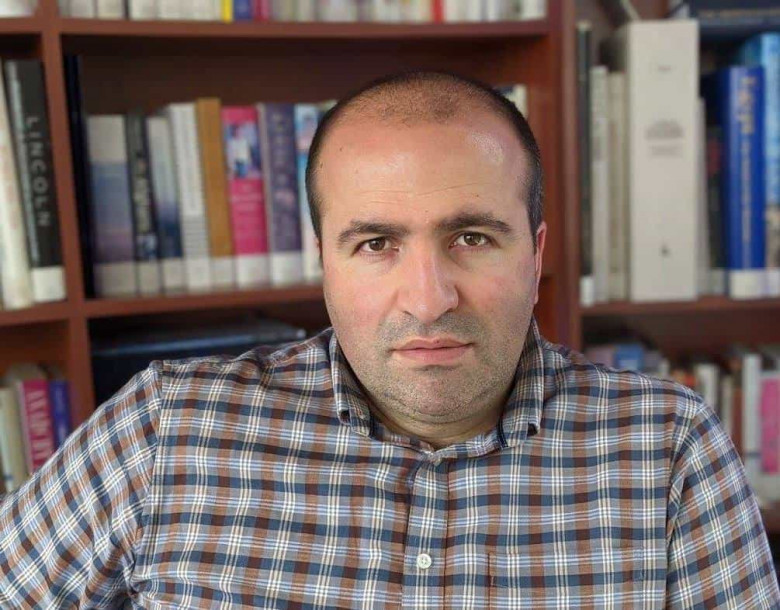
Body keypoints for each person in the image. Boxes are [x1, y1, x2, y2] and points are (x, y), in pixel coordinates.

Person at [1, 71, 778, 608]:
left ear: (537, 254)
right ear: (324, 264)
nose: (429, 300)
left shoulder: (669, 446)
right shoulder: (161, 430)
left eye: (472, 237)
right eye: (376, 244)